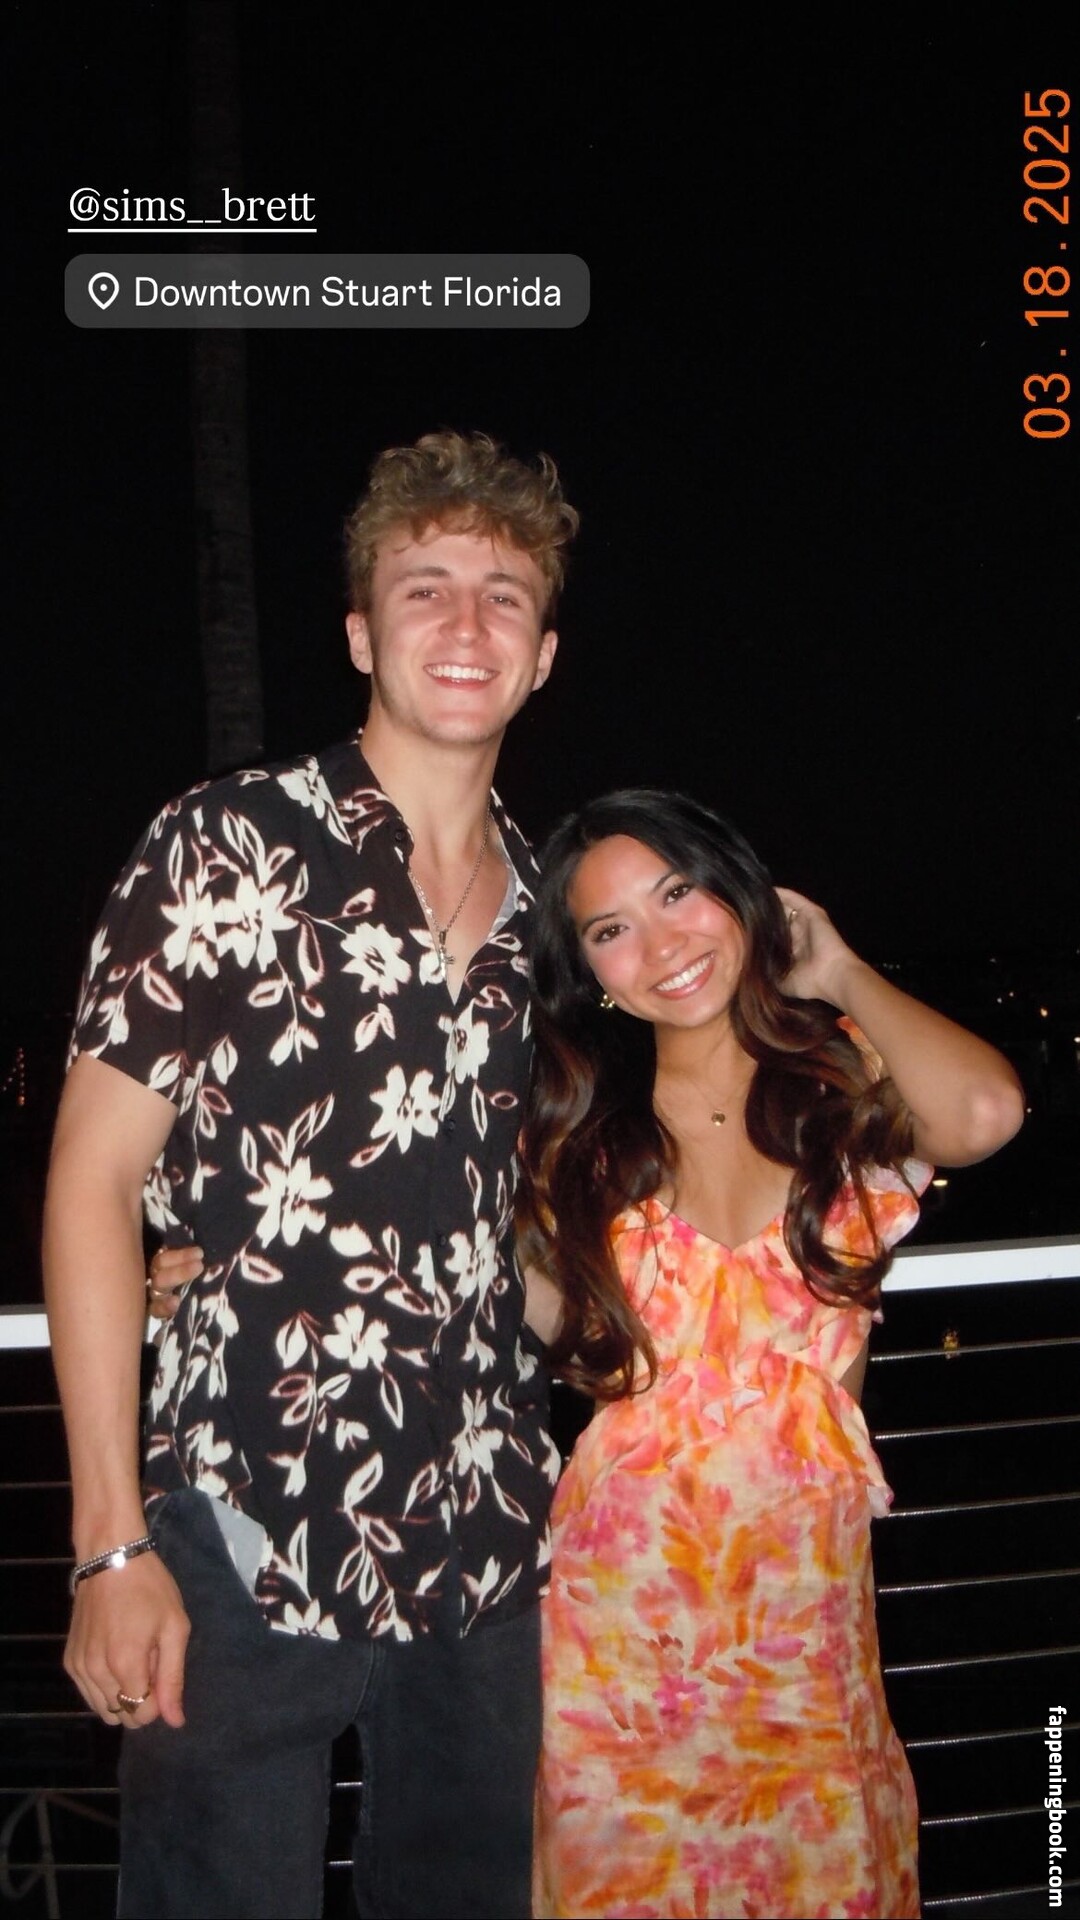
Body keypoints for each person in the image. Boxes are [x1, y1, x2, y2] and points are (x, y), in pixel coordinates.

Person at [41, 430, 579, 1920]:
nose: (465, 623)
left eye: (504, 596)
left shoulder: (549, 909)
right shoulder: (227, 847)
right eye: (424, 588)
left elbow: (535, 1211)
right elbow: (89, 1185)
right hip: (245, 1519)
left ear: (542, 657)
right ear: (359, 633)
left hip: (483, 1538)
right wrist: (107, 1544)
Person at [514, 789, 1025, 1920]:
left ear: (738, 893)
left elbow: (985, 1111)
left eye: (678, 893)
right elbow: (460, 1280)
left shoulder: (842, 1086)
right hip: (620, 1629)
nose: (662, 944)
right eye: (612, 930)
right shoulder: (575, 1133)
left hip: (802, 1623)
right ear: (592, 973)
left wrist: (837, 969)